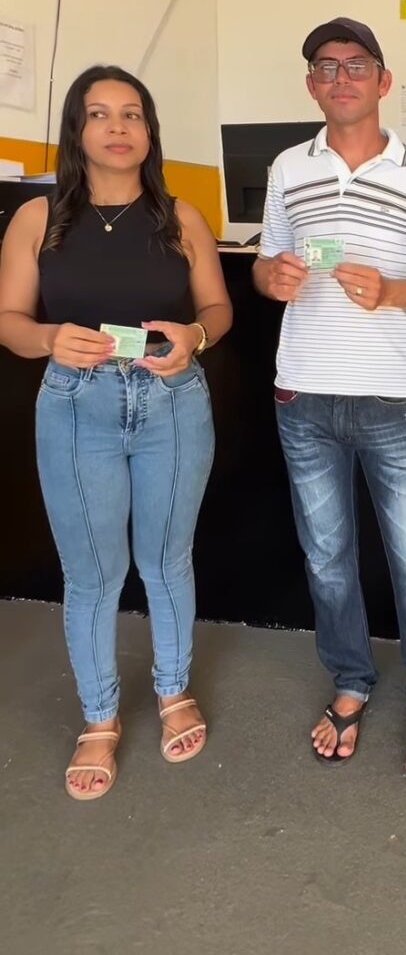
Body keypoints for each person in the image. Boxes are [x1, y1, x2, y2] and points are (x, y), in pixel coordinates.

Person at [0, 65, 232, 800]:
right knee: (92, 573)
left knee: (166, 559)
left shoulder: (181, 216)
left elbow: (219, 310)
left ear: (150, 131)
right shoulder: (37, 219)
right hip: (77, 404)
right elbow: (8, 321)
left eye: (132, 114)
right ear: (77, 130)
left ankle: (173, 690)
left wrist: (195, 335)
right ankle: (99, 716)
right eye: (99, 114)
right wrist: (47, 339)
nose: (118, 127)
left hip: (172, 402)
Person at [252, 18, 406, 783]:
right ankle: (350, 680)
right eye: (326, 67)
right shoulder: (287, 167)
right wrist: (270, 278)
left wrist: (393, 292)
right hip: (303, 393)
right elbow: (266, 263)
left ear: (383, 80)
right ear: (312, 84)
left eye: (356, 65)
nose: (341, 78)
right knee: (328, 561)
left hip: (391, 396)